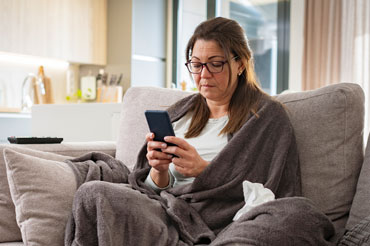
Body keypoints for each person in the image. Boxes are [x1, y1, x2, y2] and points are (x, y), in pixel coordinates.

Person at [65, 17, 334, 246]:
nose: (203, 74)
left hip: (228, 221)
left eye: (215, 63)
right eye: (196, 64)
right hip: (167, 213)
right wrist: (158, 170)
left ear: (240, 63)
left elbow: (267, 193)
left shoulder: (264, 117)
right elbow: (148, 189)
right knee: (94, 193)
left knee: (299, 215)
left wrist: (204, 170)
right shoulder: (179, 113)